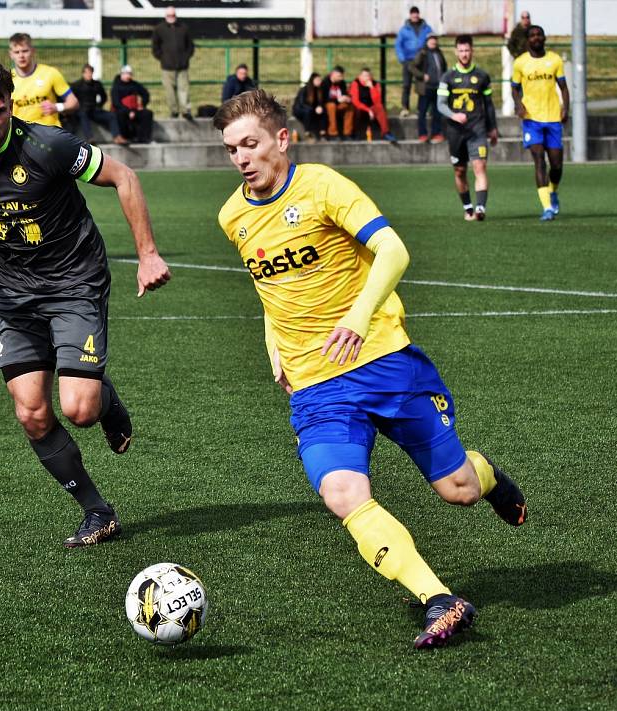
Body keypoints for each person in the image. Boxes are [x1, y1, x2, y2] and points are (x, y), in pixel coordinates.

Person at [213, 89, 526, 650]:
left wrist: (358, 318)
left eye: (251, 144)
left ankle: (484, 474)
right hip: (314, 384)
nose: (241, 159)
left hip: (383, 361)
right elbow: (269, 290)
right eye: (232, 149)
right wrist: (274, 350)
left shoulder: (324, 187)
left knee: (456, 490)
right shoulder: (232, 215)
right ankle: (439, 598)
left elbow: (394, 251)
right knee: (342, 494)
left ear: (282, 139)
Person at [0, 55, 171, 548]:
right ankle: (97, 511)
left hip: (76, 282)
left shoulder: (49, 144)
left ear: (10, 104)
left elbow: (125, 177)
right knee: (31, 413)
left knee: (79, 410)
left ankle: (106, 404)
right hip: (16, 296)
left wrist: (147, 254)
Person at [437, 35, 498, 221]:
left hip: (477, 129)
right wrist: (454, 115)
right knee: (460, 171)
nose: (464, 54)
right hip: (455, 132)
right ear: (456, 52)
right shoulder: (447, 77)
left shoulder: (482, 76)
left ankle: (480, 208)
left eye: (467, 50)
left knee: (480, 166)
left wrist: (493, 128)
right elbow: (440, 104)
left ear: (472, 51)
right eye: (461, 51)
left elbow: (488, 104)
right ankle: (468, 207)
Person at [511, 25, 569, 221]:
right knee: (538, 161)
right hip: (531, 119)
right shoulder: (520, 63)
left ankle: (553, 192)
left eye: (539, 35)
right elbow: (514, 88)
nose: (536, 38)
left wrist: (565, 108)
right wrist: (518, 105)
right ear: (528, 40)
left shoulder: (554, 60)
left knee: (557, 165)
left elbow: (563, 87)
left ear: (544, 38)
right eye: (532, 35)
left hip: (552, 118)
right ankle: (547, 208)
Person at [9, 33, 78, 127]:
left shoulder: (50, 73)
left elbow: (73, 102)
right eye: (17, 52)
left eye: (25, 51)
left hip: (50, 134)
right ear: (11, 54)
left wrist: (56, 107)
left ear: (33, 51)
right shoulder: (8, 78)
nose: (21, 56)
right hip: (21, 134)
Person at [151, 5, 194, 120]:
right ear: (165, 16)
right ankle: (173, 111)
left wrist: (185, 58)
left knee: (184, 89)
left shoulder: (183, 28)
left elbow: (190, 46)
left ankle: (185, 111)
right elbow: (155, 47)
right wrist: (163, 58)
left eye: (173, 15)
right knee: (169, 91)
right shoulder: (159, 29)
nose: (171, 17)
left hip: (182, 66)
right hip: (167, 67)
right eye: (169, 15)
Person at [70, 63, 126, 144]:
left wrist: (99, 106)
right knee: (83, 115)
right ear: (83, 73)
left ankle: (117, 137)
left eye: (90, 72)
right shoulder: (76, 85)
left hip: (94, 109)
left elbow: (104, 97)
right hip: (81, 110)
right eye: (87, 72)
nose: (89, 74)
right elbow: (71, 99)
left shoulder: (96, 84)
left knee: (112, 116)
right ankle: (90, 138)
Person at [394, 6, 432, 117]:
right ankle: (405, 108)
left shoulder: (426, 28)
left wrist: (426, 55)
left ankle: (422, 108)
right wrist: (402, 59)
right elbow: (398, 45)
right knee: (406, 85)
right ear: (410, 15)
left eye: (416, 13)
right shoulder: (404, 29)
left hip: (421, 60)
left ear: (419, 14)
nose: (415, 15)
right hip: (408, 61)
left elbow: (431, 40)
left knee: (421, 85)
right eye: (413, 13)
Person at [408, 34, 447, 142]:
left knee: (437, 112)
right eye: (431, 40)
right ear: (427, 41)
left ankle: (436, 133)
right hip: (426, 88)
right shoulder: (422, 53)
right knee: (422, 112)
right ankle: (422, 134)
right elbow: (411, 66)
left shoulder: (439, 53)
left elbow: (444, 67)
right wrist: (422, 75)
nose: (433, 42)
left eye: (435, 40)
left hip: (438, 87)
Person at [349, 67, 396, 143]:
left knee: (380, 108)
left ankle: (386, 133)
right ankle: (354, 132)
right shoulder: (355, 83)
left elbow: (377, 101)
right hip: (361, 108)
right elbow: (355, 101)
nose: (367, 78)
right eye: (364, 76)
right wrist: (368, 110)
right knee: (355, 110)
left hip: (371, 108)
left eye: (368, 76)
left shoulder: (375, 84)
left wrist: (371, 88)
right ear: (360, 76)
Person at [111, 65, 154, 144]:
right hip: (122, 110)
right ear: (122, 74)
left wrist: (142, 104)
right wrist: (128, 111)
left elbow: (145, 94)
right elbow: (116, 103)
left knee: (147, 113)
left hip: (134, 109)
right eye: (126, 74)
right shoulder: (116, 87)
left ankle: (143, 137)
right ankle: (125, 137)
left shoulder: (134, 84)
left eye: (130, 74)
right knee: (120, 115)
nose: (128, 76)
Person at [321, 66, 354, 141]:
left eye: (342, 76)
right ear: (333, 74)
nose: (341, 78)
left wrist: (347, 98)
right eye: (339, 76)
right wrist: (338, 100)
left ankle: (347, 133)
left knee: (350, 106)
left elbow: (344, 94)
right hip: (327, 105)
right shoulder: (325, 83)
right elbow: (324, 99)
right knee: (331, 106)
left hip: (339, 104)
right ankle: (333, 133)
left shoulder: (342, 83)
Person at [293, 72, 326, 141]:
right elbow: (302, 103)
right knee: (308, 112)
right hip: (300, 110)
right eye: (317, 80)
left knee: (323, 111)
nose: (319, 82)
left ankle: (323, 133)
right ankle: (307, 132)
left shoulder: (320, 90)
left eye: (320, 80)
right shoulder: (304, 89)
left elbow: (321, 102)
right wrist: (314, 109)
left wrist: (320, 107)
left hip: (312, 110)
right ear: (312, 80)